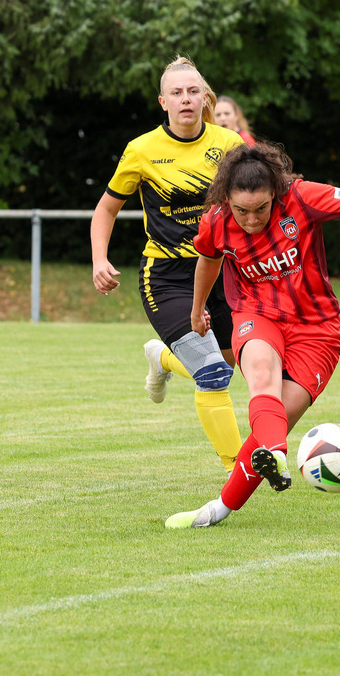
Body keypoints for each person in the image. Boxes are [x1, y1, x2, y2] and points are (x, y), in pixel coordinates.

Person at [165, 141, 340, 528]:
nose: (251, 220)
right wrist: (196, 307)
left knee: (272, 422)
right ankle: (275, 452)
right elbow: (208, 258)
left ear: (275, 193)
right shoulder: (216, 219)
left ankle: (218, 508)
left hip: (317, 329)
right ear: (227, 200)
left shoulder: (302, 197)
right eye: (241, 211)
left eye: (260, 209)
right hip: (256, 313)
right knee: (261, 379)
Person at [91, 56, 246, 472]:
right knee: (213, 373)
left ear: (204, 97)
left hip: (220, 274)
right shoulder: (141, 151)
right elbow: (106, 209)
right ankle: (239, 468)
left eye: (193, 91)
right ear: (163, 102)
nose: (185, 99)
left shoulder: (230, 146)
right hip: (167, 278)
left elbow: (254, 205)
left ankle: (161, 358)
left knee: (229, 362)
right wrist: (99, 260)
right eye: (176, 93)